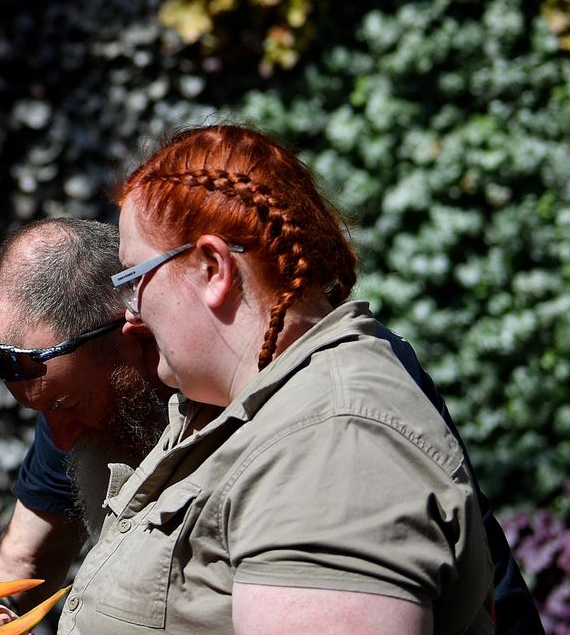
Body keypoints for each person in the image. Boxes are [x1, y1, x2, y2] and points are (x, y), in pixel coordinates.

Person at [63, 123, 496, 634]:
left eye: (135, 278)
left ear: (212, 267)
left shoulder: (334, 446)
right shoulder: (246, 410)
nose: (131, 315)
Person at [0, 217, 174, 635]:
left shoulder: (252, 412)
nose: (62, 437)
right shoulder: (73, 416)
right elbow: (14, 567)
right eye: (44, 412)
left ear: (138, 336)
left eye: (67, 403)